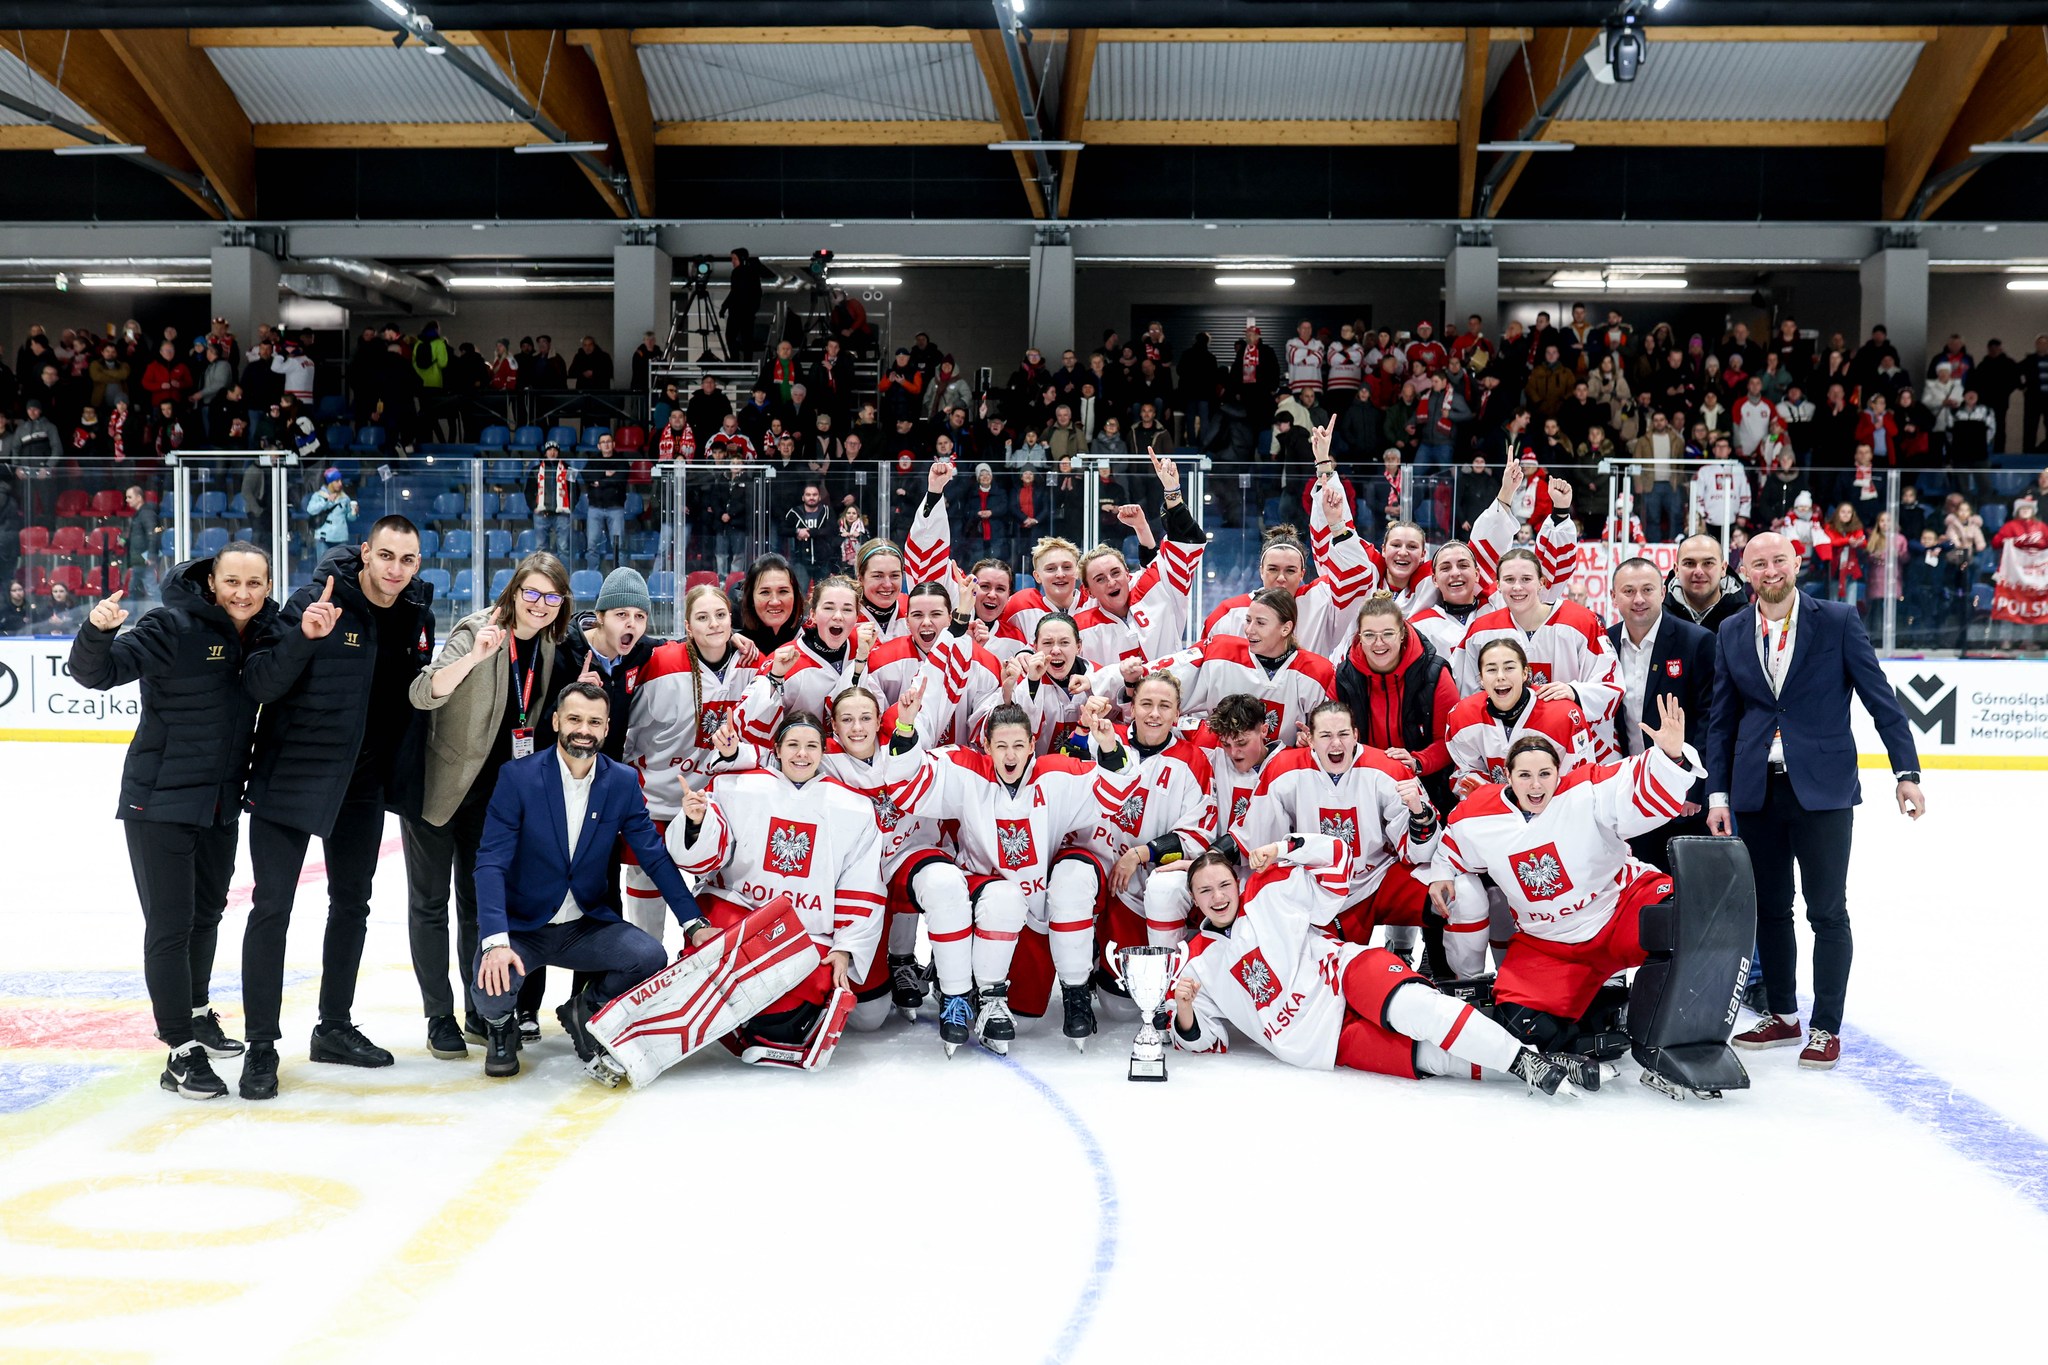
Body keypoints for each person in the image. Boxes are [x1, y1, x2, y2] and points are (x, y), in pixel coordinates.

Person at [1706, 532, 1925, 1070]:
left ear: (1797, 562)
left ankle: (1826, 1026)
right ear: (1745, 572)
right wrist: (1717, 793)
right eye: (1759, 563)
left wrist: (1906, 772)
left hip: (1823, 790)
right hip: (1756, 790)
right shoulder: (1732, 630)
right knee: (1770, 909)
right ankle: (1782, 1014)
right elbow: (1722, 720)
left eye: (1779, 560)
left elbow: (1881, 701)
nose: (1771, 570)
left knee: (1826, 911)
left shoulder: (1838, 620)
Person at [68, 546, 280, 1100]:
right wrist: (97, 631)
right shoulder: (171, 626)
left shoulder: (264, 632)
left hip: (220, 802)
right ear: (212, 582)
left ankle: (196, 1012)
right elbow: (95, 673)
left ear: (267, 585)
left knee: (207, 913)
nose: (242, 593)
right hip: (158, 802)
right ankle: (180, 1050)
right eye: (231, 581)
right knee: (170, 925)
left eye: (253, 583)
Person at [237, 517, 435, 1100]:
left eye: (408, 559)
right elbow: (260, 684)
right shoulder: (314, 599)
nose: (396, 569)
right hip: (291, 776)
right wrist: (303, 636)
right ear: (366, 553)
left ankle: (334, 1028)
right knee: (272, 908)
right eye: (387, 556)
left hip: (361, 783)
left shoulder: (414, 613)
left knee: (352, 904)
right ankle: (261, 1045)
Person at [1171, 839, 1595, 1094]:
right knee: (1433, 1059)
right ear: (1194, 898)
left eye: (1224, 884)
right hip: (1325, 1042)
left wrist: (1283, 849)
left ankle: (1526, 1062)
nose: (1218, 897)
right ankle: (1549, 1062)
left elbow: (1338, 858)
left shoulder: (1270, 891)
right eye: (1205, 891)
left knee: (1419, 1009)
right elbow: (1204, 1042)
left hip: (1344, 974)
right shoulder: (1195, 961)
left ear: (1238, 882)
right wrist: (1185, 1008)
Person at [1424, 698, 1704, 1076]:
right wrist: (1441, 873)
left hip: (1618, 909)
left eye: (1545, 774)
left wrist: (1670, 756)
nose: (1535, 784)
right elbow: (1452, 848)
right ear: (1508, 776)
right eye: (1525, 775)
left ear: (1559, 772)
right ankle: (1590, 1034)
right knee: (1519, 1022)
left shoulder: (1587, 788)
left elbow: (1638, 784)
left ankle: (1669, 1025)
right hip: (1549, 944)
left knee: (1682, 922)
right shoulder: (1477, 815)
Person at [471, 682, 714, 1078]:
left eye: (594, 722)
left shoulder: (621, 781)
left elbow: (653, 857)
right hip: (523, 927)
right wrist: (497, 941)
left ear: (606, 728)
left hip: (583, 927)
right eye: (575, 719)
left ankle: (585, 1008)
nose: (584, 730)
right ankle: (500, 1027)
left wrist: (694, 922)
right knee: (490, 983)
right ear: (556, 722)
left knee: (649, 957)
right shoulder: (518, 777)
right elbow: (490, 863)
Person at [402, 552, 574, 1060]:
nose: (540, 604)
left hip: (491, 801)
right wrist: (474, 657)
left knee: (479, 907)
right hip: (439, 789)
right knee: (430, 904)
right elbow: (423, 692)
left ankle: (479, 1009)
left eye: (551, 596)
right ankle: (439, 1015)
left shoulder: (548, 645)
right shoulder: (478, 630)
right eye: (531, 592)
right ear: (514, 592)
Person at [669, 710, 885, 1062]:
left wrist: (846, 948)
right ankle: (711, 997)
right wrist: (696, 822)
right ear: (778, 749)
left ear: (823, 751)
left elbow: (861, 884)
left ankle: (751, 1020)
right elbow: (701, 861)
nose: (802, 754)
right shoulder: (736, 787)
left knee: (793, 1008)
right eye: (793, 745)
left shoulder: (855, 808)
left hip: (804, 932)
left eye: (811, 746)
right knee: (710, 947)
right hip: (739, 916)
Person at [1241, 700, 1443, 964]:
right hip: (1317, 888)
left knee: (1461, 895)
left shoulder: (1388, 769)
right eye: (1326, 735)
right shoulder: (1282, 770)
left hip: (1377, 879)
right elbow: (1264, 845)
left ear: (1355, 735)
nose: (1336, 744)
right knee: (1327, 967)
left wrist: (1419, 813)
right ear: (1310, 739)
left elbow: (1420, 854)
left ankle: (1455, 977)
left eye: (1343, 734)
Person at [1608, 557, 1714, 869]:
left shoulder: (1696, 641)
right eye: (1628, 591)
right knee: (1639, 886)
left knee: (1687, 887)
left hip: (1683, 797)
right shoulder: (1604, 643)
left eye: (1647, 589)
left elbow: (1709, 720)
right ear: (1613, 596)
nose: (1638, 599)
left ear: (1663, 592)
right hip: (1628, 793)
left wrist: (1693, 787)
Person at [1664, 534, 1749, 632]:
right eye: (1689, 563)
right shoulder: (1657, 617)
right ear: (1676, 570)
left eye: (1708, 563)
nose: (1698, 572)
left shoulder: (1748, 618)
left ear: (1723, 568)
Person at [720, 248, 771, 362]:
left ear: (741, 259)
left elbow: (734, 292)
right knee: (746, 339)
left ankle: (735, 361)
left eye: (734, 259)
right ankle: (747, 363)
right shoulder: (753, 272)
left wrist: (724, 306)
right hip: (748, 313)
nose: (732, 262)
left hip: (737, 312)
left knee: (731, 337)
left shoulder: (737, 273)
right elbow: (757, 292)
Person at [306, 468, 356, 557]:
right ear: (330, 483)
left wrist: (354, 512)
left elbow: (350, 518)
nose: (340, 483)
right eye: (337, 481)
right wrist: (326, 502)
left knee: (341, 563)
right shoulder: (319, 496)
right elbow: (311, 510)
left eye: (340, 480)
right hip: (324, 537)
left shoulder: (345, 498)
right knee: (323, 563)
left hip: (340, 537)